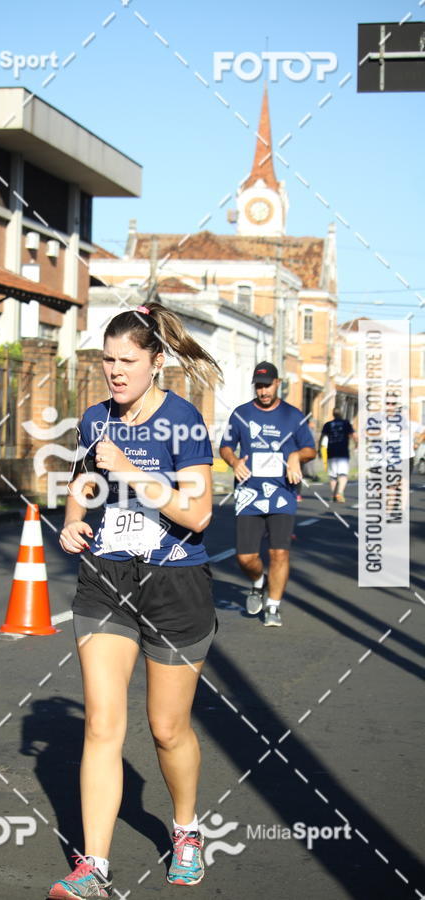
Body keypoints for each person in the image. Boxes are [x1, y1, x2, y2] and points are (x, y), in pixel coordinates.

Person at [49, 302, 222, 898]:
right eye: (107, 360)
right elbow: (84, 484)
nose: (115, 371)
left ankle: (186, 830)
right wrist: (72, 521)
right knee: (102, 724)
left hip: (175, 586)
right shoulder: (95, 418)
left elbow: (197, 514)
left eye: (128, 361)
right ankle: (93, 866)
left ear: (156, 362)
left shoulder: (184, 422)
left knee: (167, 728)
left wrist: (133, 470)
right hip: (106, 581)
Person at [219, 361, 316, 628]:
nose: (263, 391)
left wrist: (296, 455)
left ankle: (273, 605)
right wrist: (235, 461)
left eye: (267, 385)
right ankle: (257, 583)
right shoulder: (240, 414)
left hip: (283, 493)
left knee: (279, 554)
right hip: (249, 493)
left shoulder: (293, 416)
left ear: (277, 383)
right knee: (245, 557)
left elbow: (311, 449)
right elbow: (225, 446)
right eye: (259, 386)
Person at [319, 407, 357, 502]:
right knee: (343, 474)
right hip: (342, 452)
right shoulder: (346, 423)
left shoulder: (328, 424)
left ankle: (333, 494)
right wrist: (356, 444)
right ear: (341, 414)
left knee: (333, 475)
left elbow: (322, 437)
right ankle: (339, 492)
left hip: (331, 451)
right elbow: (354, 435)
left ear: (333, 414)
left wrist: (319, 449)